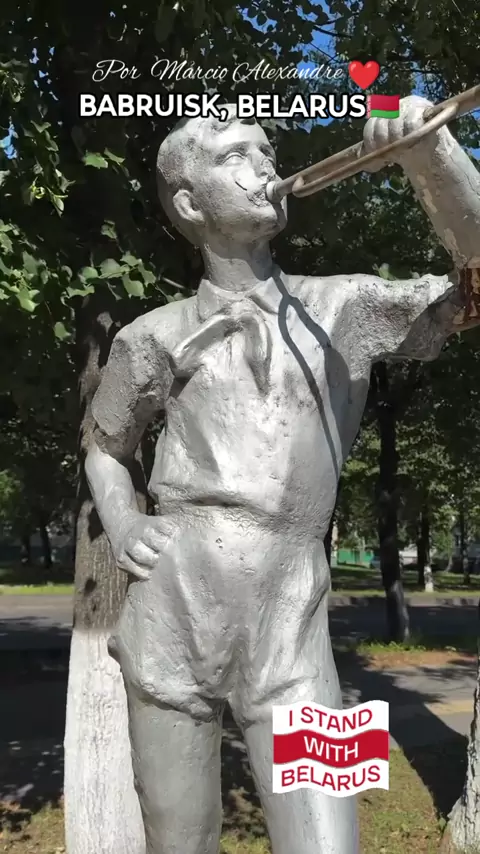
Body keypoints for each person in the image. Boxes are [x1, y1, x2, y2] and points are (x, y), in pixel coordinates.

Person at [85, 97, 480, 854]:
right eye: (236, 155)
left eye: (266, 150)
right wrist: (125, 520)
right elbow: (105, 447)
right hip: (172, 612)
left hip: (293, 627)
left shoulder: (345, 308)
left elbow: (477, 285)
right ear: (190, 204)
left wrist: (431, 155)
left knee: (327, 843)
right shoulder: (151, 337)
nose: (264, 162)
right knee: (180, 841)